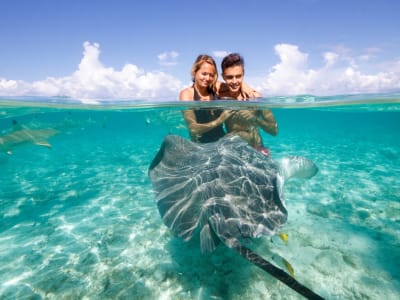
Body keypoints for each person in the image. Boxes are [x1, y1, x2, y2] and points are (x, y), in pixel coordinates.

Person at [218, 53, 278, 154]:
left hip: (256, 149)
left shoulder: (255, 98)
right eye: (229, 77)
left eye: (238, 76)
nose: (234, 81)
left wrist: (254, 119)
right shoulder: (220, 96)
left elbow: (274, 131)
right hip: (233, 151)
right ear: (223, 76)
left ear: (243, 73)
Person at [179, 54, 232, 143]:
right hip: (201, 145)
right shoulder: (187, 94)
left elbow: (236, 84)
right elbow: (193, 129)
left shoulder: (216, 89)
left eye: (211, 75)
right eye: (204, 74)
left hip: (222, 141)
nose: (207, 78)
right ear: (195, 72)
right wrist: (220, 120)